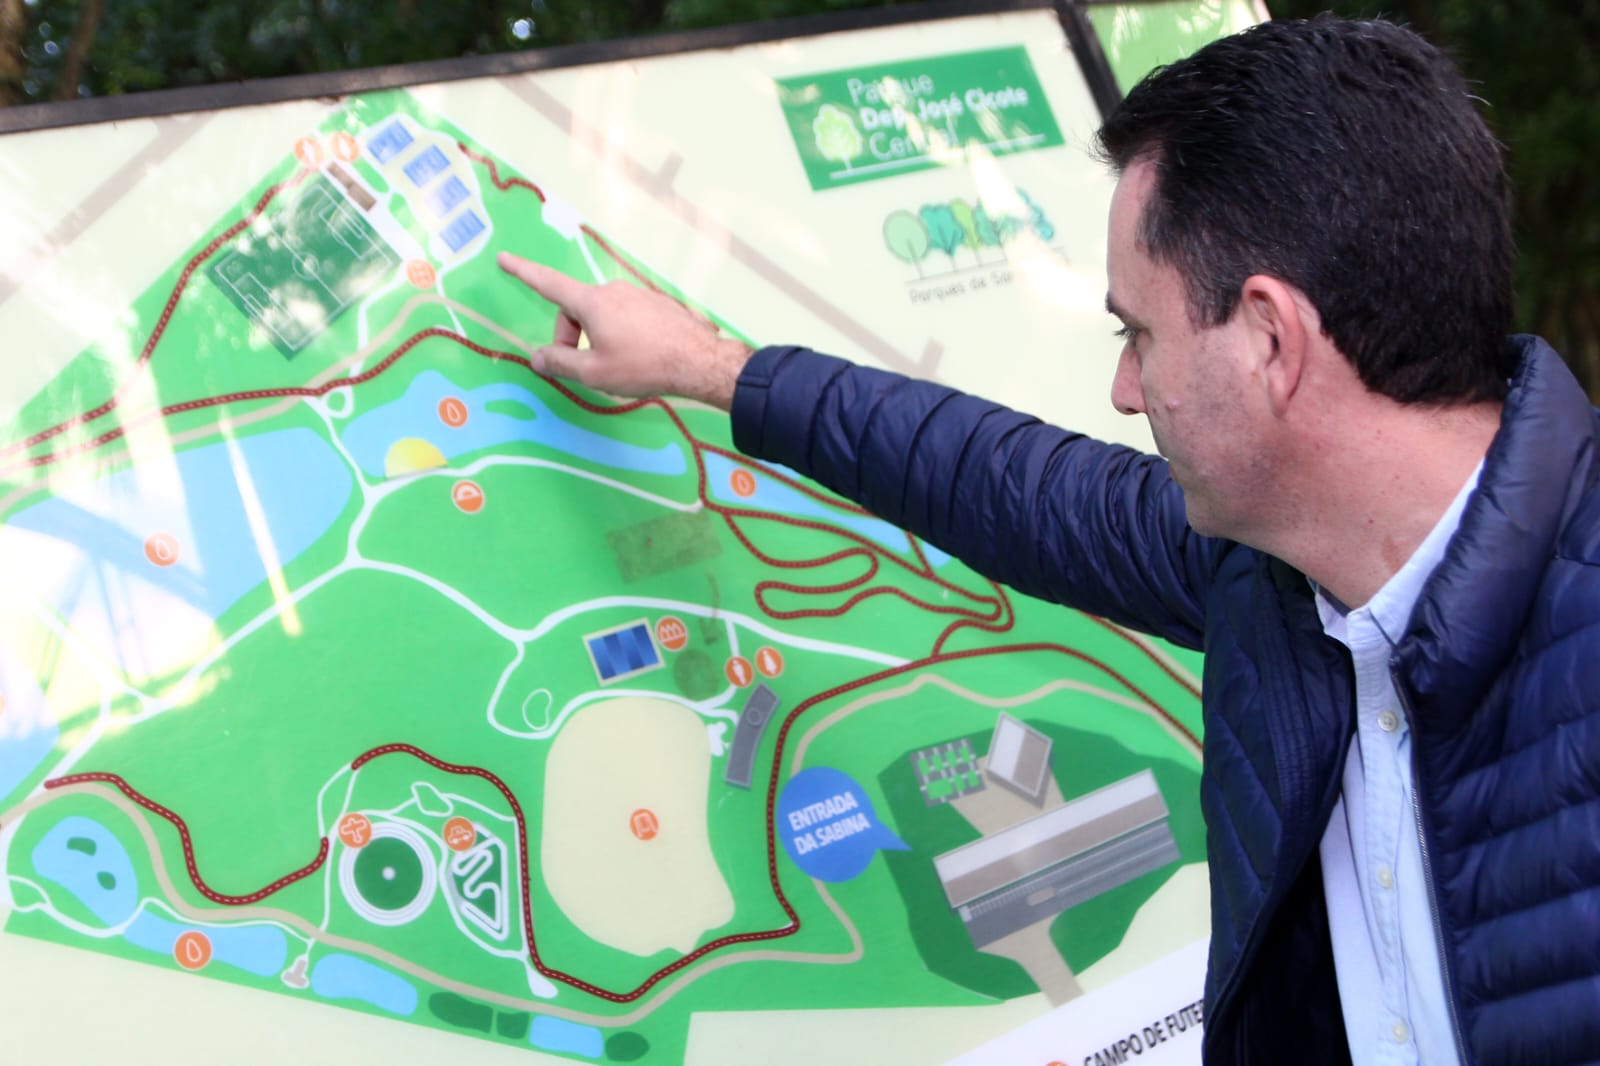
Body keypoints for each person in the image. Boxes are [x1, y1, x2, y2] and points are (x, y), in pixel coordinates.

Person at [497, 16, 1600, 1066]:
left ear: (1270, 339)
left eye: (1139, 334)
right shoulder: (1277, 579)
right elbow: (1009, 484)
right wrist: (711, 369)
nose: (1124, 389)